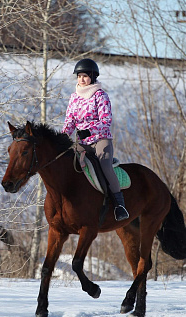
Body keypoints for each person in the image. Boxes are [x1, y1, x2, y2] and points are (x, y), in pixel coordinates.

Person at [62, 58, 130, 221]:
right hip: (82, 142)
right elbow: (70, 120)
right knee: (67, 162)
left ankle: (119, 205)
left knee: (105, 165)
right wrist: (63, 136)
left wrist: (88, 130)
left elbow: (106, 121)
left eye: (85, 76)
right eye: (79, 76)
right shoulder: (74, 97)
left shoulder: (100, 95)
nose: (81, 79)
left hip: (101, 139)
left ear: (93, 76)